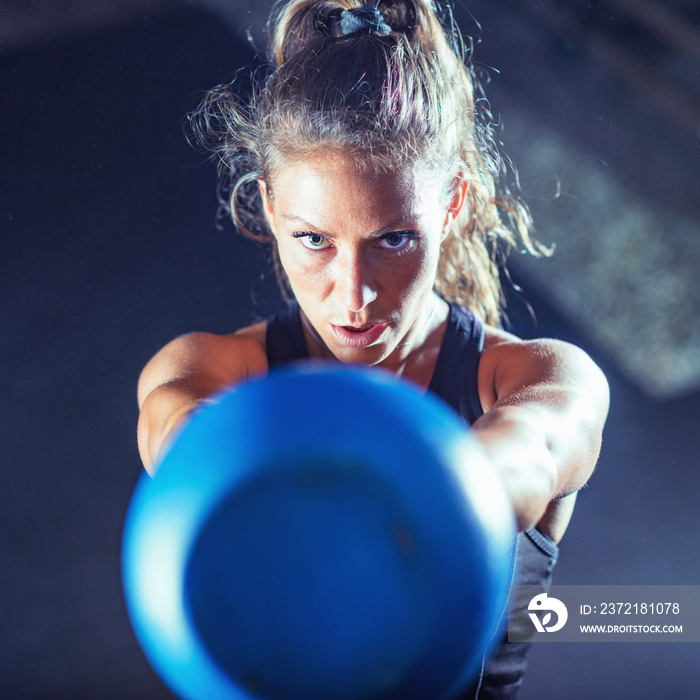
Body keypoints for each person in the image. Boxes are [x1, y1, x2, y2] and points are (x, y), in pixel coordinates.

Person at [136, 0, 610, 696]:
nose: (352, 295)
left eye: (393, 239)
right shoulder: (213, 370)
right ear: (269, 208)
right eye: (314, 240)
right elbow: (179, 431)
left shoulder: (530, 378)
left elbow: (533, 447)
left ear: (451, 203)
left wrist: (431, 495)